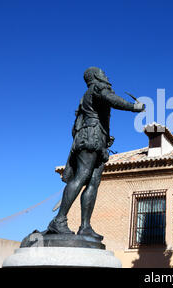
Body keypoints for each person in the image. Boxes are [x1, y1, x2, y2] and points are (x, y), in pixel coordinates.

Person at [47, 67, 145, 240]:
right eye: (103, 73)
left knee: (94, 182)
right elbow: (111, 99)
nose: (106, 75)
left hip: (98, 139)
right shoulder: (97, 88)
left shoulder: (89, 93)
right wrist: (134, 107)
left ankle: (85, 226)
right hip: (90, 137)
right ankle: (59, 220)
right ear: (94, 76)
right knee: (82, 177)